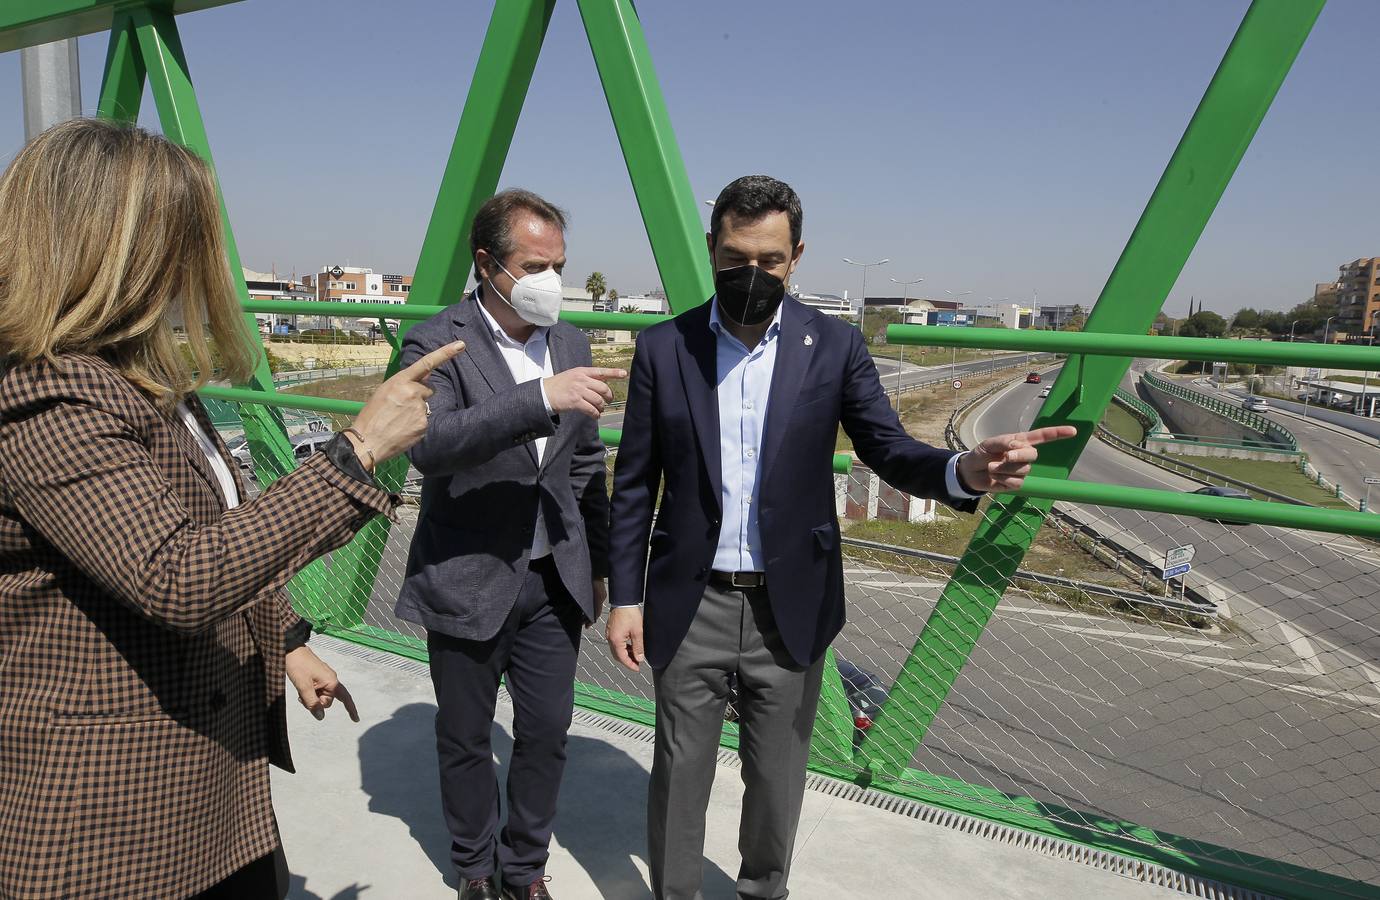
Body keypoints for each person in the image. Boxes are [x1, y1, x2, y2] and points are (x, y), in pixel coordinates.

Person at [0, 118, 464, 900]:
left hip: (200, 784)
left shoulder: (132, 377)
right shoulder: (50, 395)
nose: (195, 265)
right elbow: (176, 574)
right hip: (110, 819)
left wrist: (282, 639)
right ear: (113, 253)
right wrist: (357, 452)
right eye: (179, 239)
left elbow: (209, 526)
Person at [605, 175, 1076, 900]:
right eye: (735, 258)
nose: (751, 276)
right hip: (687, 603)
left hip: (788, 604)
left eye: (769, 260)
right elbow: (635, 482)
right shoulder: (666, 348)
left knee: (777, 778)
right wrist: (625, 597)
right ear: (711, 248)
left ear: (797, 257)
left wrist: (963, 471)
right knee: (678, 773)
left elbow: (887, 448)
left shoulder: (834, 346)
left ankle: (765, 891)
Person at [394, 189, 623, 900]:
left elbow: (584, 464)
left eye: (559, 264)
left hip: (555, 573)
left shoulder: (570, 341)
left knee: (547, 731)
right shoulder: (436, 342)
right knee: (465, 736)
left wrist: (605, 569)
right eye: (535, 265)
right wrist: (537, 400)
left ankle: (524, 868)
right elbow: (428, 446)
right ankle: (473, 866)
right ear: (487, 262)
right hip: (467, 572)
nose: (551, 280)